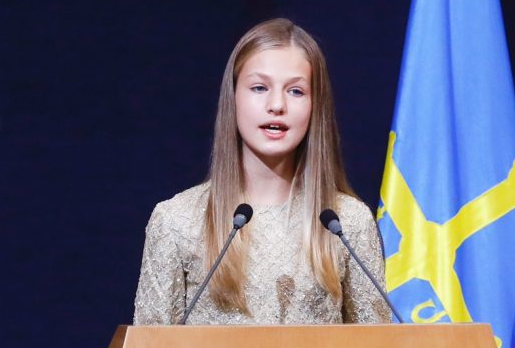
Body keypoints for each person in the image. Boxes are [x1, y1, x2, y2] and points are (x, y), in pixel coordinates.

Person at [133, 18, 391, 326]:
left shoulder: (347, 223)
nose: (277, 105)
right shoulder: (176, 221)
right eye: (259, 87)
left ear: (315, 106)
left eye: (296, 91)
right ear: (233, 98)